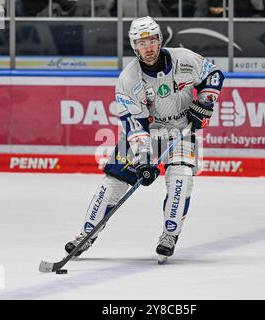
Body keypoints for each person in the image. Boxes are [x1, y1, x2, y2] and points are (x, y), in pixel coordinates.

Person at [65, 16, 225, 262]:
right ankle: (86, 235)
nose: (148, 48)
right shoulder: (129, 79)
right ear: (134, 46)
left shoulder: (184, 59)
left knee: (180, 180)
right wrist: (142, 161)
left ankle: (169, 235)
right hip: (146, 134)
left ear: (160, 40)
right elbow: (134, 125)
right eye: (141, 43)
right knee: (112, 184)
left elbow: (213, 75)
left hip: (181, 131)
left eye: (151, 41)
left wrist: (205, 101)